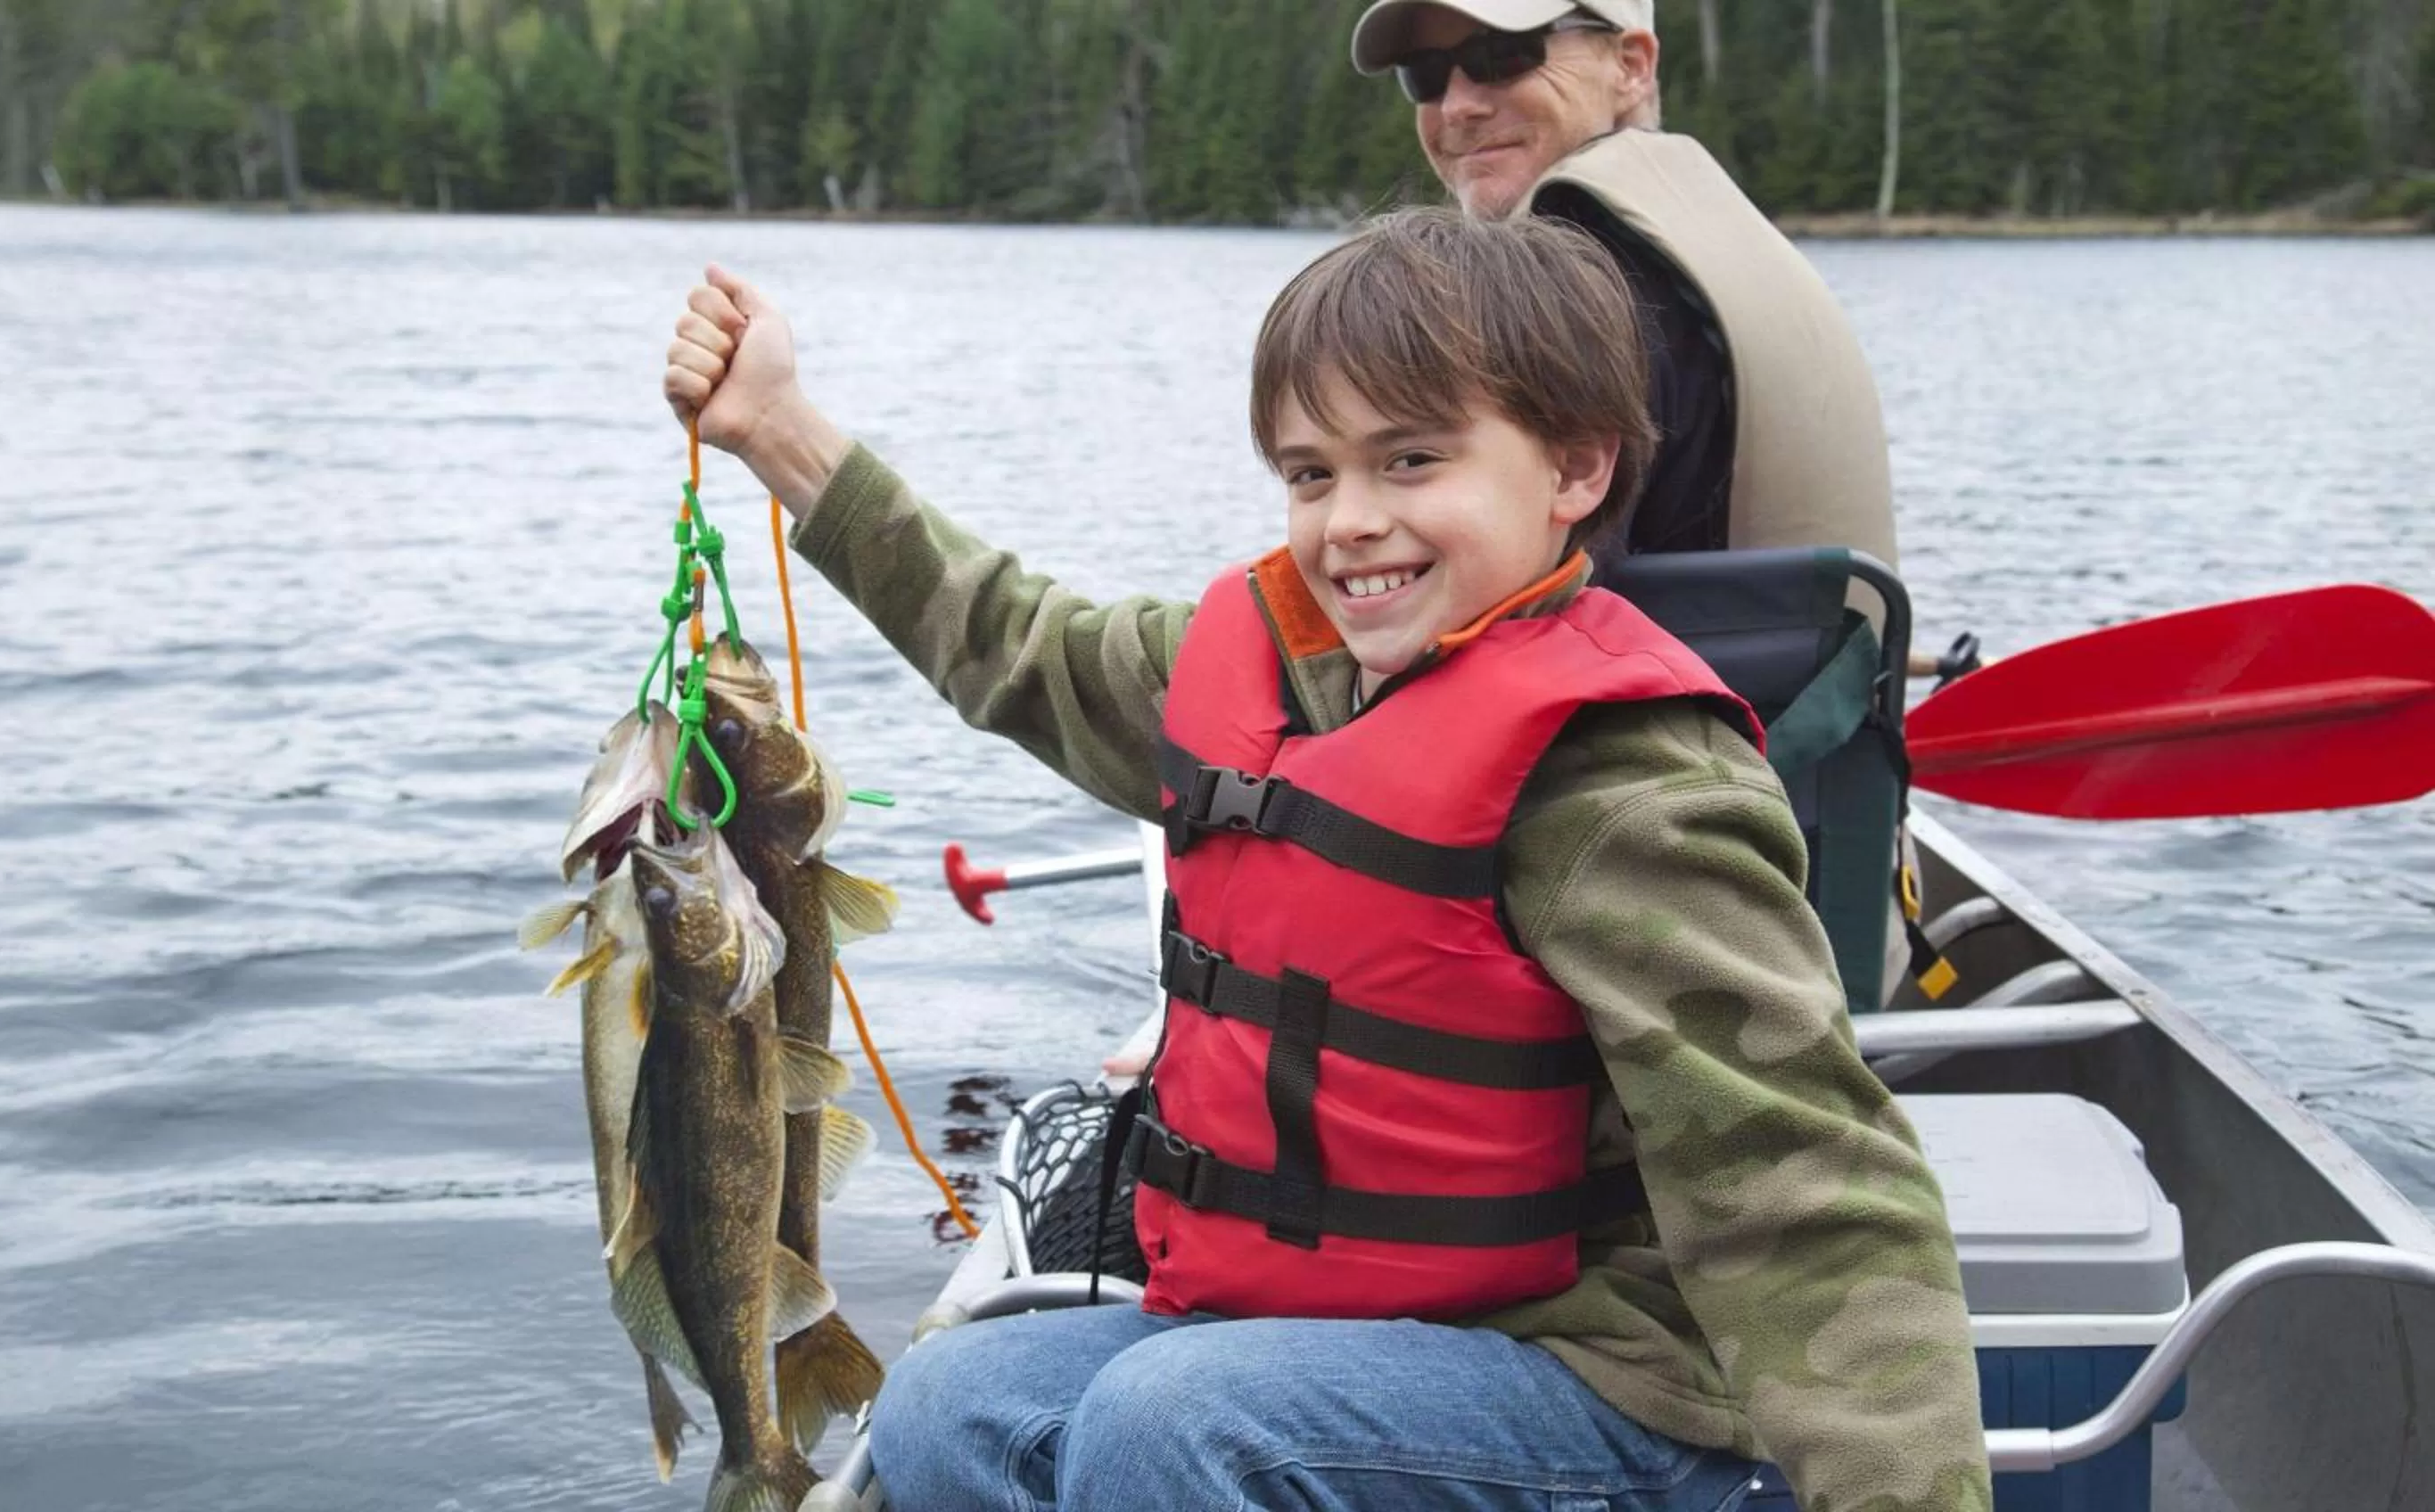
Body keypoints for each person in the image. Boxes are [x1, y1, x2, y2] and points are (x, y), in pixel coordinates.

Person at [661, 210, 1990, 1511]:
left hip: (1602, 1395)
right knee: (949, 1405)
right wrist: (779, 429)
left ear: (1576, 469)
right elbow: (1011, 636)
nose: (1350, 519)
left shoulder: (1628, 787)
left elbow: (1811, 1186)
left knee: (1167, 1421)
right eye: (1310, 473)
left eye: (1411, 462)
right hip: (1329, 1336)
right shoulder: (1271, 666)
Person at [1353, 0, 1896, 575]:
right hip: (1805, 661)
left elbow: (1521, 599)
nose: (1459, 106)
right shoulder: (1694, 218)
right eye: (1426, 76)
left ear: (1632, 66)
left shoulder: (1580, 258)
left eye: (1502, 56)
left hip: (1678, 663)